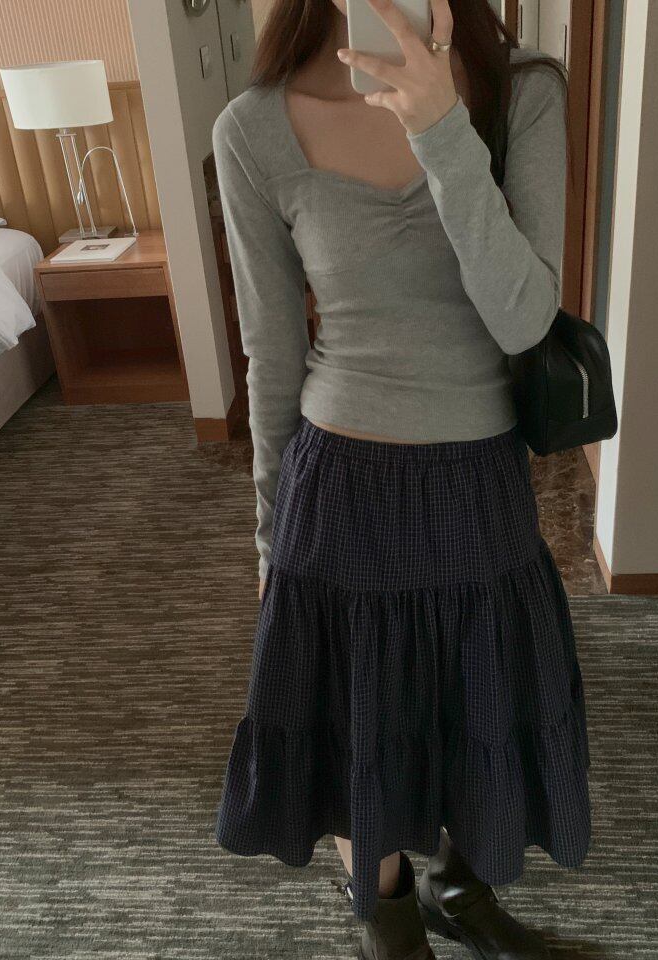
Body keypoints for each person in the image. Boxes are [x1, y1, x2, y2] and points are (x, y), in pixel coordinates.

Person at [212, 0, 591, 957]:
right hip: (337, 488)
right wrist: (268, 538)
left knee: (481, 696)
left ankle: (459, 893)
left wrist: (442, 130)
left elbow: (523, 319)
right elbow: (271, 355)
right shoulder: (254, 127)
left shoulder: (522, 93)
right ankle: (386, 924)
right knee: (360, 720)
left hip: (477, 476)